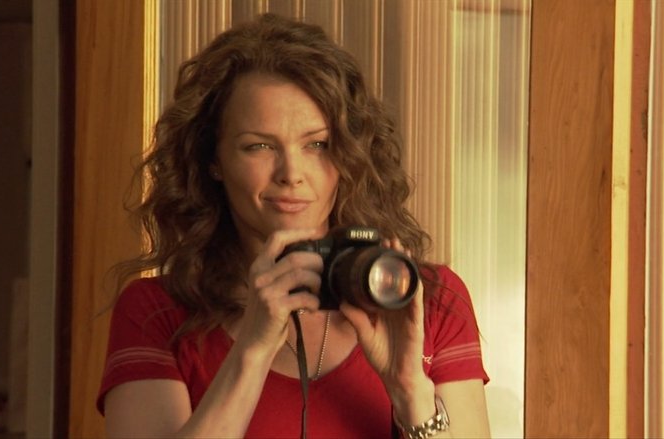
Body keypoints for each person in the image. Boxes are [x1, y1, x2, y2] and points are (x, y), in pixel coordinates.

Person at [97, 13, 490, 439]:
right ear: (213, 160)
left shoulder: (426, 300)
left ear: (349, 154)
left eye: (317, 144)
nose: (292, 173)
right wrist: (253, 349)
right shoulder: (156, 312)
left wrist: (411, 391)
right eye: (259, 146)